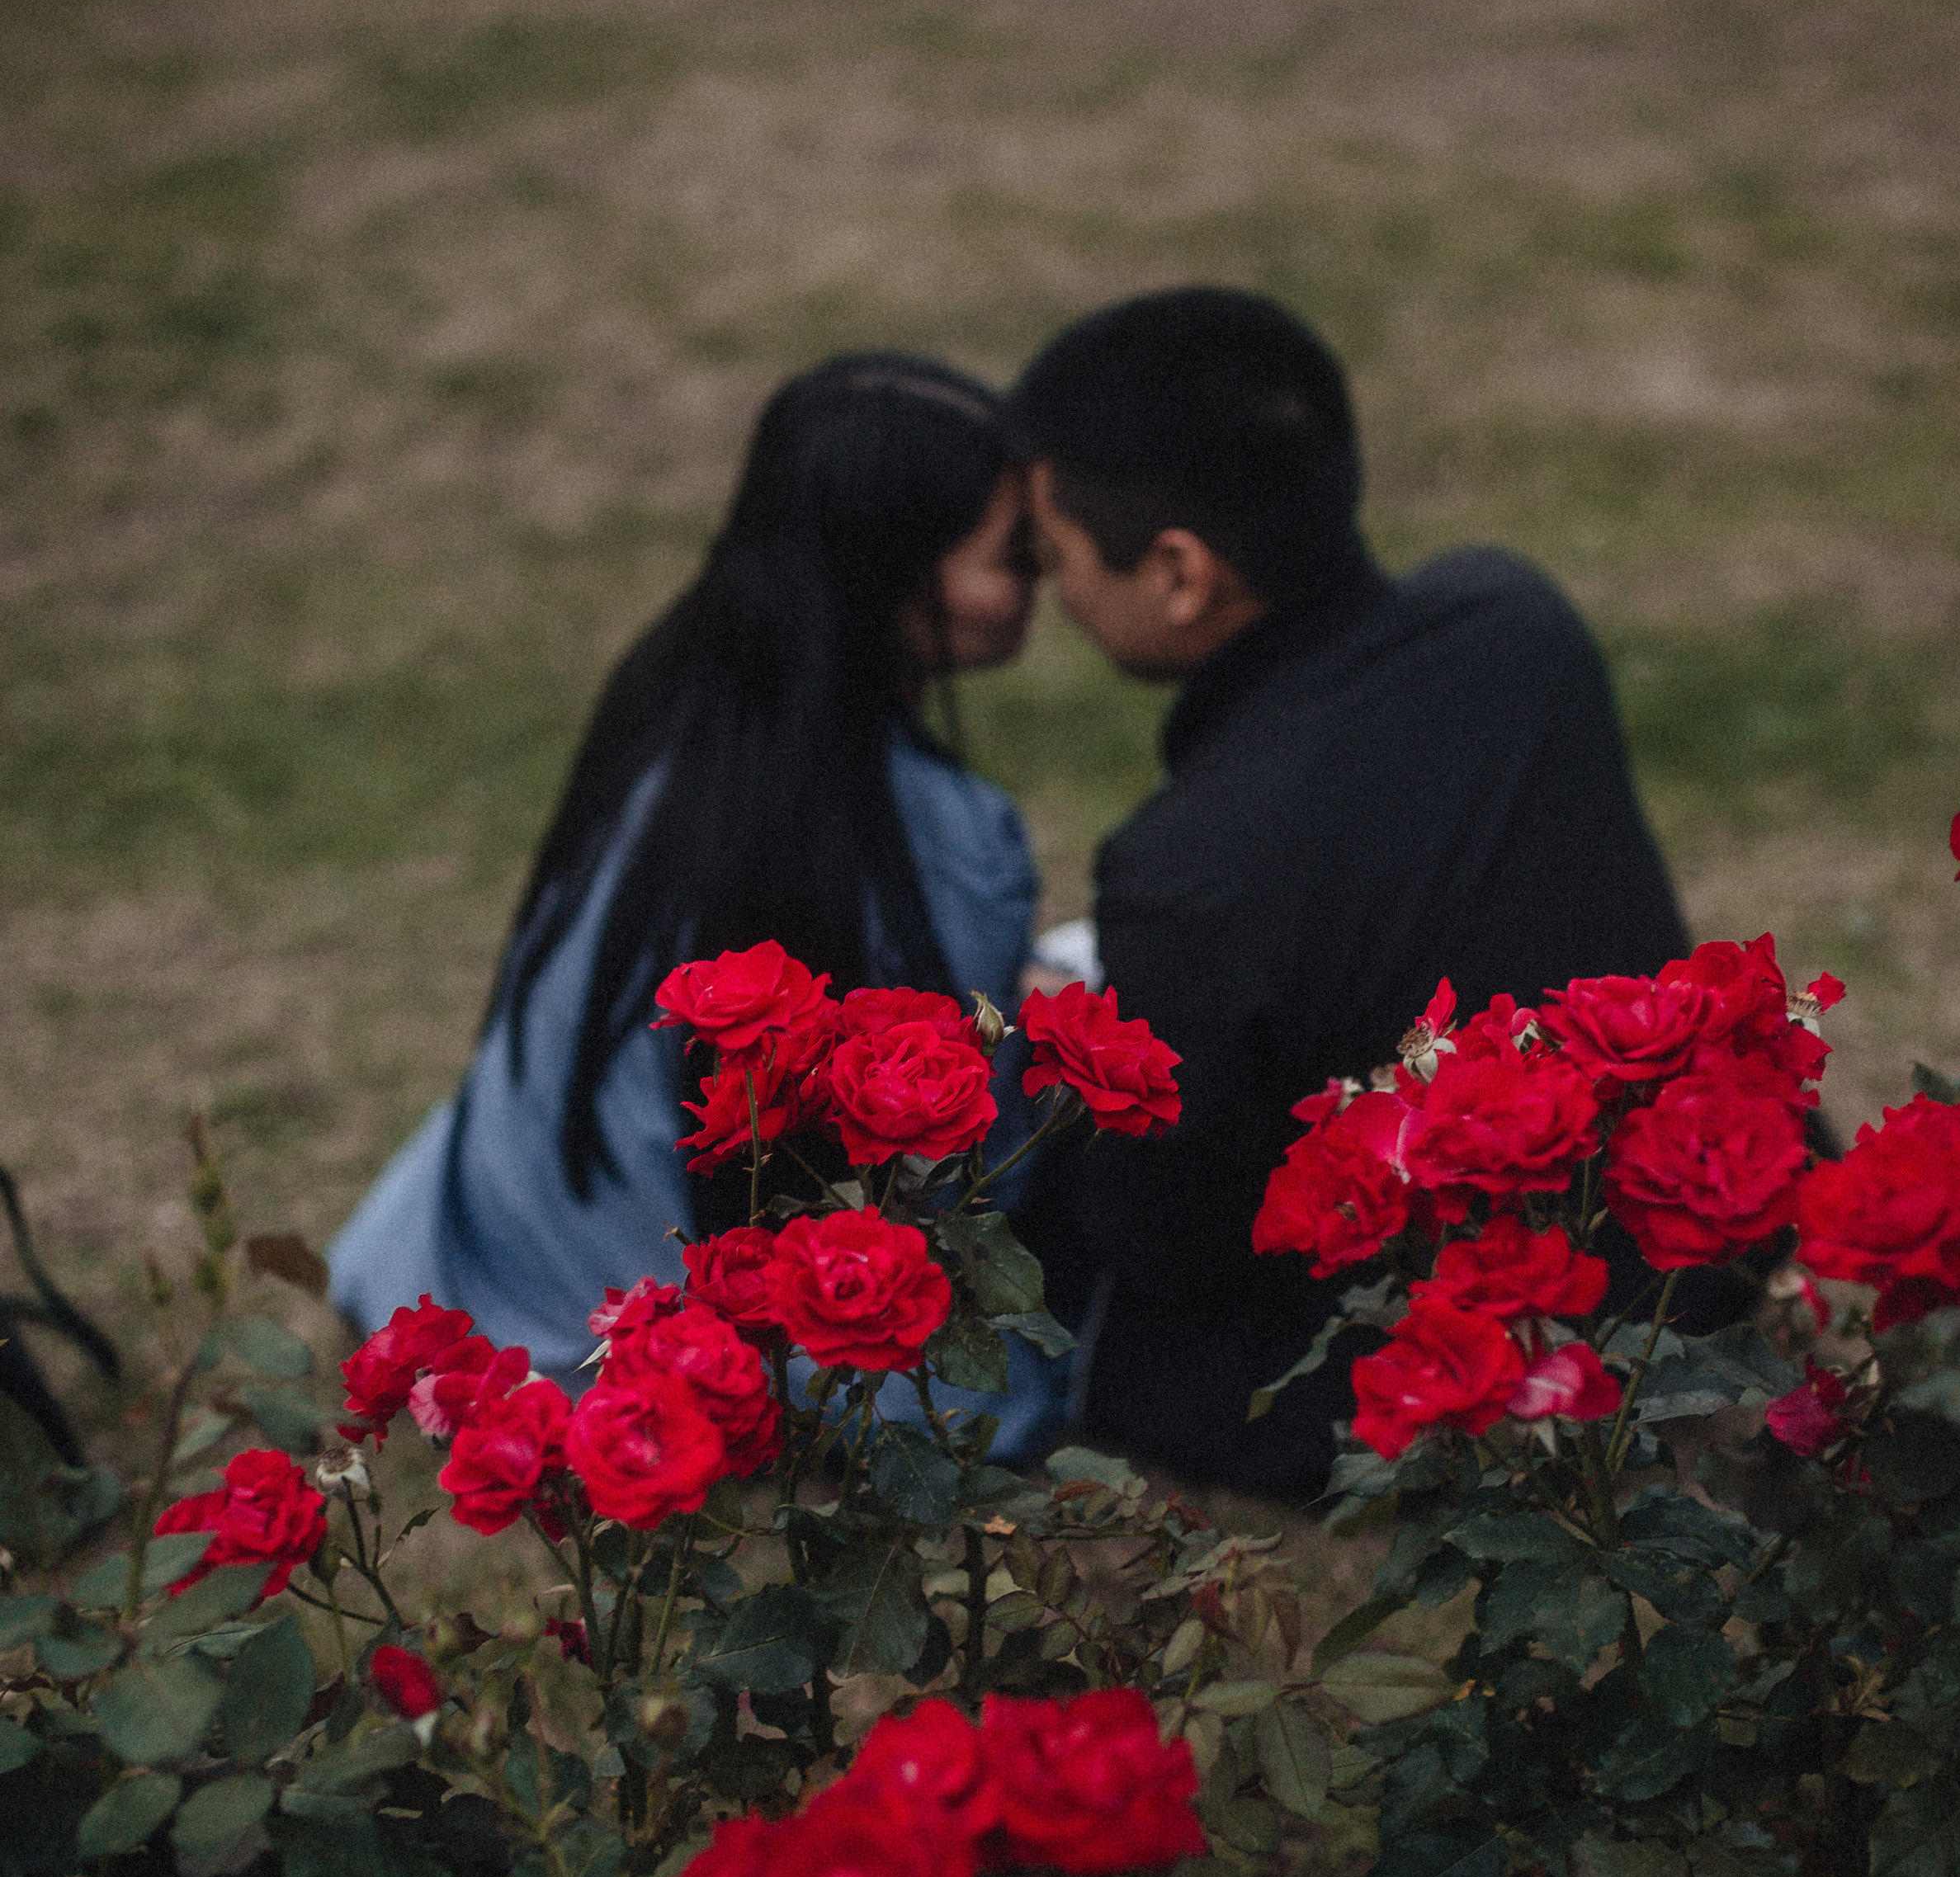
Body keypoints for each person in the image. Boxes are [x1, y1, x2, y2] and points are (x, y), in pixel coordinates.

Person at [1012, 285, 1692, 1503]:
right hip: (1683, 1252)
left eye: (1057, 555)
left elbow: (1161, 1233)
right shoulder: (1514, 620)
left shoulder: (1192, 867)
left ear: (1178, 573)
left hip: (1460, 1371)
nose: (1054, 594)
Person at [332, 352, 1057, 1449]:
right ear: (897, 575)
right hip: (709, 1316)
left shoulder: (682, 695)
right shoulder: (943, 840)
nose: (1044, 579)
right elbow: (952, 1134)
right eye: (1017, 555)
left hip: (538, 1243)